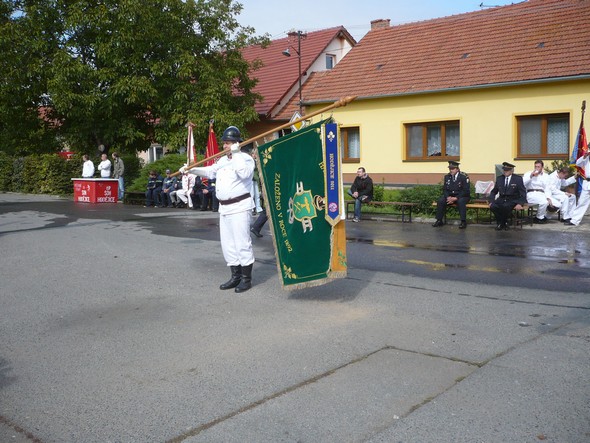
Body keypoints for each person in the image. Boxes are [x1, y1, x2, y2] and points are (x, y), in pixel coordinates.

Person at [180, 125, 255, 293]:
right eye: (224, 143)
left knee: (242, 243)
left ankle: (246, 279)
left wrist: (236, 153)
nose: (224, 146)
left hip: (240, 206)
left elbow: (243, 173)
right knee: (228, 244)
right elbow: (210, 171)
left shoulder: (245, 159)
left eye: (228, 143)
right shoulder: (222, 160)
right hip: (225, 208)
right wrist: (191, 169)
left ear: (237, 143)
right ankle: (235, 277)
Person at [488, 162, 527, 230]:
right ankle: (503, 222)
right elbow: (494, 191)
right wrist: (491, 201)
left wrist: (520, 203)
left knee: (505, 206)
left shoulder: (517, 179)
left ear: (511, 171)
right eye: (504, 170)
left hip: (513, 199)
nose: (505, 172)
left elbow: (523, 193)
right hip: (502, 199)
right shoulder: (500, 178)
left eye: (507, 170)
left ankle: (501, 223)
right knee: (493, 206)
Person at [432, 160, 471, 229]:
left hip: (462, 196)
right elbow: (445, 189)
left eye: (453, 169)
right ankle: (439, 220)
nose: (451, 170)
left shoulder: (464, 176)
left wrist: (456, 198)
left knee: (461, 202)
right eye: (450, 169)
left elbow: (466, 191)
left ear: (457, 169)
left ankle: (463, 221)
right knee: (441, 201)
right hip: (450, 196)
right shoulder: (447, 177)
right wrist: (448, 197)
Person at [523, 159, 553, 224]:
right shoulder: (528, 173)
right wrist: (531, 176)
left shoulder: (546, 176)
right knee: (544, 202)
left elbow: (547, 188)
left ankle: (539, 217)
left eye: (538, 167)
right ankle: (539, 217)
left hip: (541, 194)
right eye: (535, 166)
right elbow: (523, 183)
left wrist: (548, 197)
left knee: (548, 202)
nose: (536, 168)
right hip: (531, 193)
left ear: (542, 167)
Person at [566, 151, 590, 226]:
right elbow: (578, 164)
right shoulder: (586, 158)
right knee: (582, 202)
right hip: (587, 183)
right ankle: (575, 220)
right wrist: (584, 157)